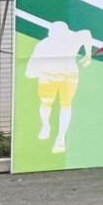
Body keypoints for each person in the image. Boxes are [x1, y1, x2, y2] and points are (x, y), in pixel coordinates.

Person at [25, 17, 98, 155]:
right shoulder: (44, 44)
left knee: (66, 105)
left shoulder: (72, 38)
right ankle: (46, 126)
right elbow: (32, 63)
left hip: (68, 76)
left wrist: (88, 54)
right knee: (46, 103)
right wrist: (32, 72)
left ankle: (60, 137)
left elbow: (86, 34)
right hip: (48, 77)